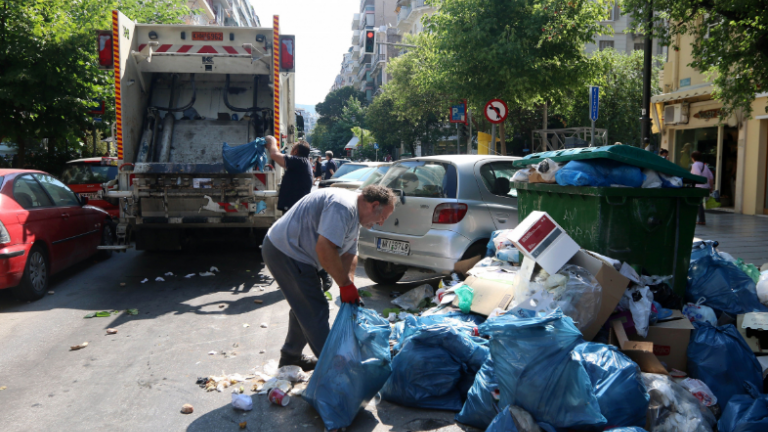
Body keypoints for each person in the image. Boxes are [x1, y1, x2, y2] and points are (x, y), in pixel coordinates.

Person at [262, 185, 397, 370]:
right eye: (383, 217)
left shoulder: (355, 215)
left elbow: (349, 253)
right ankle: (336, 370)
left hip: (298, 253)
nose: (381, 223)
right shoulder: (343, 206)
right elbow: (325, 248)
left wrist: (349, 284)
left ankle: (291, 357)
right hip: (286, 251)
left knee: (304, 306)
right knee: (314, 309)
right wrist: (344, 285)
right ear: (374, 205)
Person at [265, 137, 313, 213]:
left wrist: (272, 141)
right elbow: (281, 161)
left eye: (292, 148)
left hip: (295, 209)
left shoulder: (299, 161)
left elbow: (274, 155)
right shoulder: (303, 163)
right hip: (296, 208)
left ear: (296, 151)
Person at [690, 151, 713, 226]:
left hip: (698, 186)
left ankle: (701, 220)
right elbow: (711, 177)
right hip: (705, 187)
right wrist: (711, 187)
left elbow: (697, 175)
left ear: (693, 158)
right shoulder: (704, 165)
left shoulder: (695, 165)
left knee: (698, 203)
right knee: (700, 203)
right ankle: (701, 219)